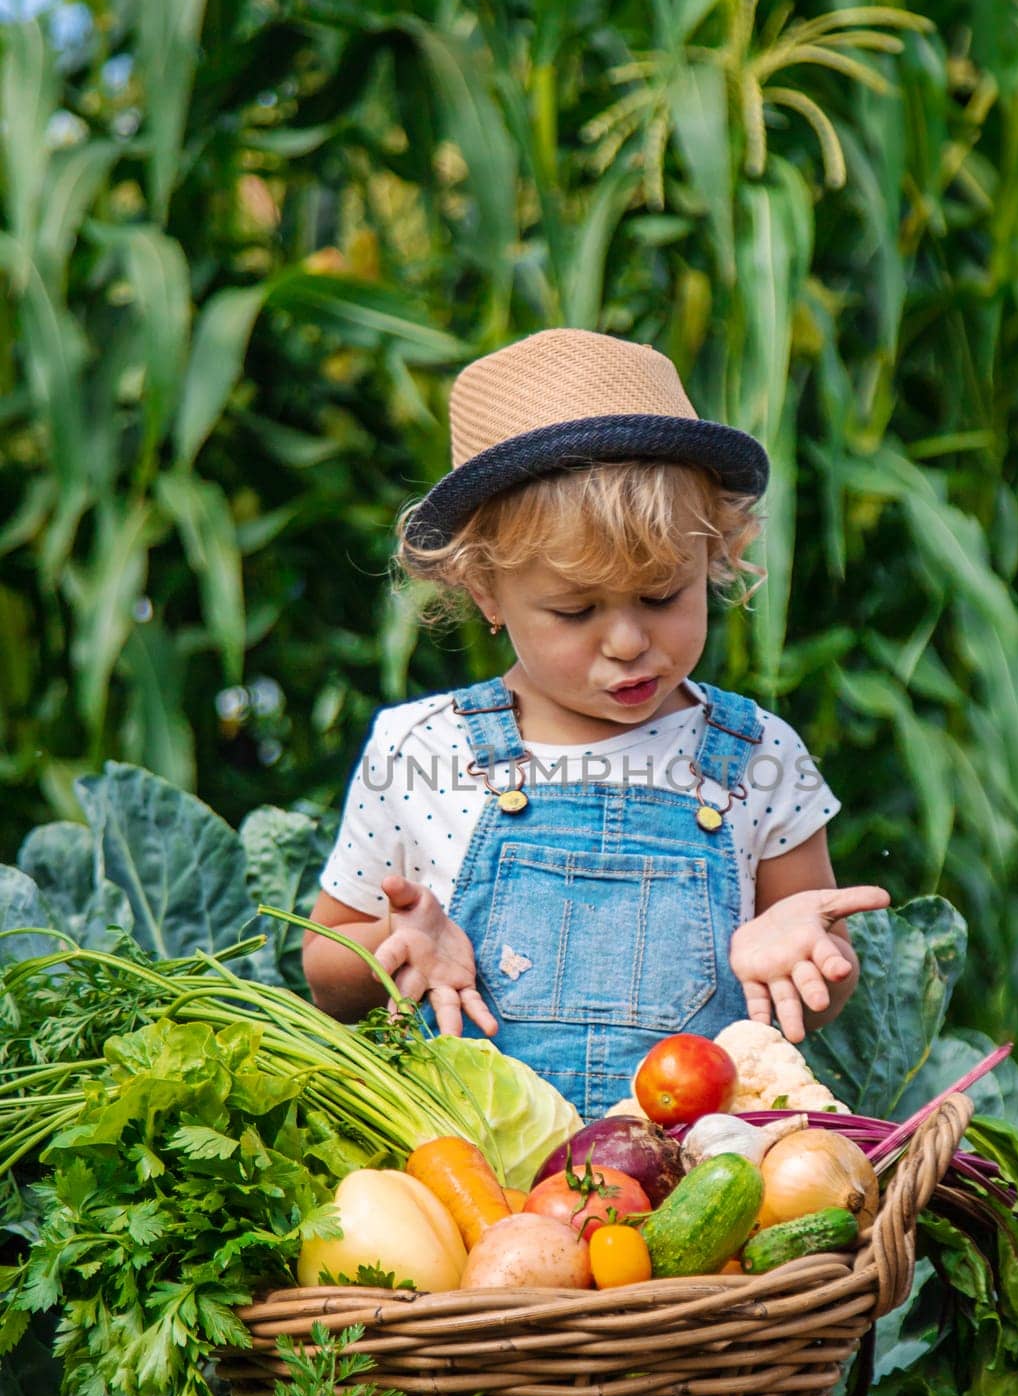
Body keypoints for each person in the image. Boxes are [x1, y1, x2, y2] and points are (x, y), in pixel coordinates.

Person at [303, 328, 889, 1115]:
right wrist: (395, 952)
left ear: (712, 557)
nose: (628, 643)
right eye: (575, 611)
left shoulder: (755, 757)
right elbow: (325, 974)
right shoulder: (421, 751)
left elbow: (812, 992)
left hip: (694, 1181)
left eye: (662, 597)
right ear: (486, 593)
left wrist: (797, 952)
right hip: (469, 1188)